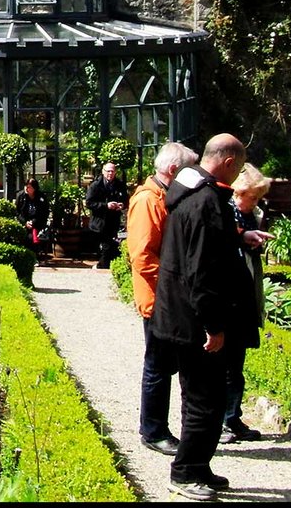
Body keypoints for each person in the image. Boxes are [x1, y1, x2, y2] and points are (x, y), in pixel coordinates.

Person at [150, 133, 255, 501]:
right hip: (193, 321)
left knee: (203, 398)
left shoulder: (190, 191)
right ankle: (184, 472)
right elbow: (202, 272)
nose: (240, 172)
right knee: (204, 400)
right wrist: (213, 325)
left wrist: (238, 238)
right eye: (240, 166)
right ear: (228, 162)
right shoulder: (207, 201)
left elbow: (201, 252)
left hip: (180, 314)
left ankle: (200, 466)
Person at [126, 141, 200, 455]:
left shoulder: (163, 196)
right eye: (188, 169)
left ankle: (161, 428)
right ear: (173, 170)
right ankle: (153, 430)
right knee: (157, 364)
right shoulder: (147, 200)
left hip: (167, 297)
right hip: (158, 299)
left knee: (166, 363)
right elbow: (142, 257)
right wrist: (175, 288)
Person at [223, 162, 271, 444]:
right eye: (250, 197)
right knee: (225, 367)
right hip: (229, 299)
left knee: (236, 365)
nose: (254, 203)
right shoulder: (226, 214)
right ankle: (222, 421)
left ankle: (233, 416)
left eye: (256, 198)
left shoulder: (251, 216)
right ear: (237, 192)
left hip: (245, 298)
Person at [85, 160, 129, 268]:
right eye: (108, 171)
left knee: (110, 244)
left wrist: (121, 205)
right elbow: (89, 203)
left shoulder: (120, 185)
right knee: (104, 245)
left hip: (113, 220)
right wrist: (105, 205)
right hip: (99, 221)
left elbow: (126, 200)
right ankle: (103, 264)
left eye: (112, 171)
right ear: (103, 172)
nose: (110, 173)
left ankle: (104, 265)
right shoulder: (95, 185)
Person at [15, 177, 51, 258]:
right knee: (23, 235)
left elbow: (43, 213)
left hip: (37, 223)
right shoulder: (21, 197)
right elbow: (17, 212)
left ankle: (33, 257)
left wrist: (33, 222)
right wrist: (25, 222)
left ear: (34, 188)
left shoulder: (41, 197)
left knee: (31, 237)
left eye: (29, 187)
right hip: (24, 223)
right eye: (26, 187)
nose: (27, 189)